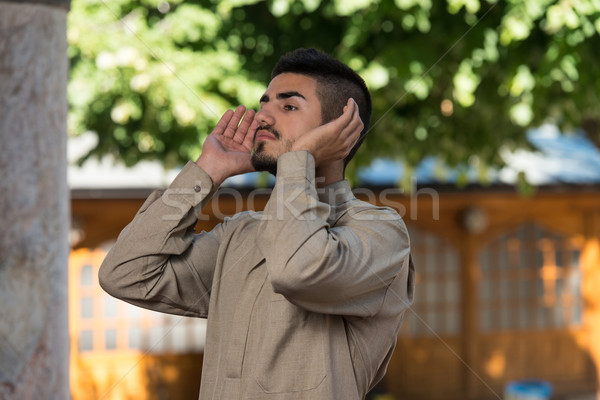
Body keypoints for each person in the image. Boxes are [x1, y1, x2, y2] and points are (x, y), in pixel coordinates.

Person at [99, 48, 414, 400]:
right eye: (264, 104)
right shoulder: (240, 234)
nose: (262, 117)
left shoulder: (381, 232)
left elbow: (297, 270)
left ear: (340, 128)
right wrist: (208, 171)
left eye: (288, 106)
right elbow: (126, 274)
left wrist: (299, 160)